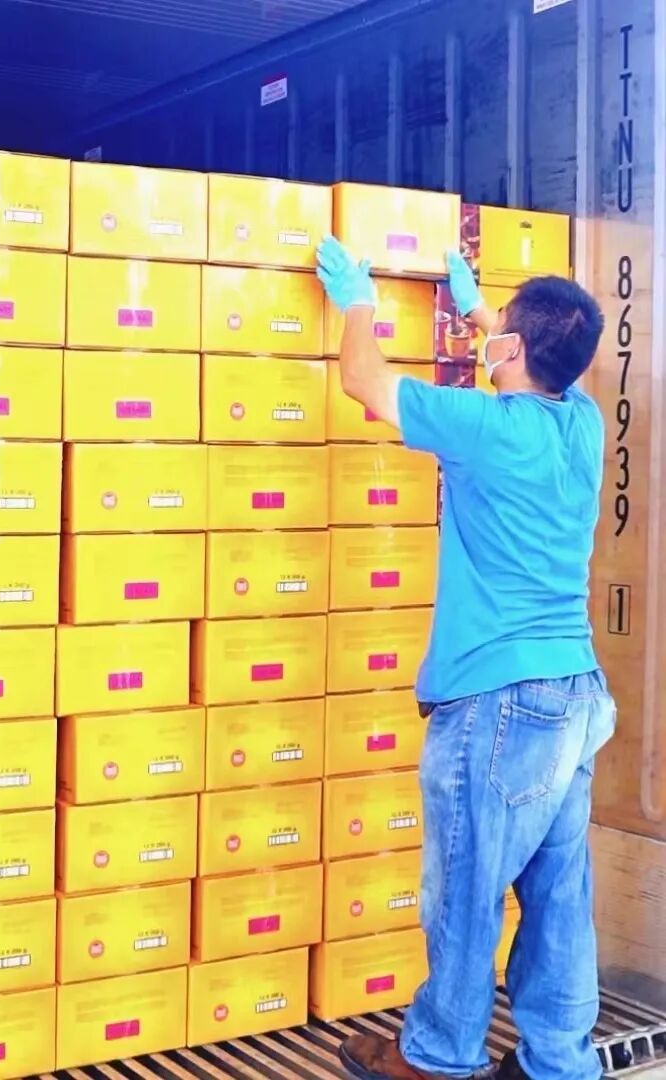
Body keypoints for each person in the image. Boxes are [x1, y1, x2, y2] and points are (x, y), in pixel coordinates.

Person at [316, 237, 617, 1080]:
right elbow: (542, 364)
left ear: (514, 350)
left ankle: (439, 1056)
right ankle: (559, 1062)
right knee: (559, 895)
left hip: (498, 700)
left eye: (500, 332)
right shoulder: (582, 423)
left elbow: (364, 381)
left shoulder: (483, 428)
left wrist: (359, 300)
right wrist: (482, 311)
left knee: (465, 887)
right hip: (574, 696)